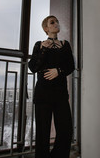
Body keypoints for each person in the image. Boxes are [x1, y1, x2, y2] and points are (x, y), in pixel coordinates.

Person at [28, 15, 75, 158]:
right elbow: (33, 67)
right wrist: (43, 50)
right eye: (52, 22)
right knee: (43, 132)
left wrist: (58, 71)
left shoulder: (65, 44)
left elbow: (70, 66)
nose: (56, 24)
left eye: (57, 22)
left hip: (60, 93)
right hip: (43, 93)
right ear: (46, 28)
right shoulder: (39, 44)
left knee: (65, 129)